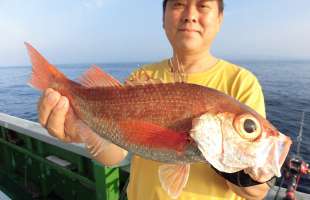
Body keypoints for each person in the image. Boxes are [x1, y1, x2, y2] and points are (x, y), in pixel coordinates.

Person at [37, 0, 272, 199]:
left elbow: (257, 192)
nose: (190, 15)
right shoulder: (141, 78)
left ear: (220, 18)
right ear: (163, 19)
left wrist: (243, 164)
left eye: (202, 5)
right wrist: (81, 132)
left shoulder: (242, 84)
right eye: (179, 4)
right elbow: (114, 154)